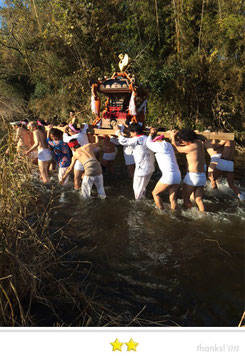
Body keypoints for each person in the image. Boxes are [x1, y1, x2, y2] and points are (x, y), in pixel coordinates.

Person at [115, 123, 155, 200]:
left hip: (142, 168)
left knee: (137, 188)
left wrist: (118, 132)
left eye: (130, 132)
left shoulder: (136, 139)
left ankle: (138, 204)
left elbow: (123, 141)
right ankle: (143, 198)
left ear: (134, 132)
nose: (130, 134)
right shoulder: (147, 138)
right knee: (143, 186)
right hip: (150, 167)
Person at [171, 129, 206, 212]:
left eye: (182, 140)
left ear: (186, 140)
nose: (181, 141)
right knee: (199, 200)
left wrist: (172, 137)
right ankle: (203, 215)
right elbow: (182, 144)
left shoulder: (190, 147)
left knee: (185, 198)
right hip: (202, 176)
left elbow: (175, 148)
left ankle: (188, 212)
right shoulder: (199, 143)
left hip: (193, 176)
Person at [146, 128, 181, 210]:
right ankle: (174, 214)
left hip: (169, 176)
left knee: (155, 193)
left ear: (157, 140)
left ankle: (162, 212)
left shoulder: (159, 145)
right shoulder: (168, 145)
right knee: (173, 199)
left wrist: (151, 134)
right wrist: (173, 137)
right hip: (178, 175)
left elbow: (148, 143)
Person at [55, 122, 89, 190]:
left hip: (79, 160)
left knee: (76, 179)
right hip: (87, 158)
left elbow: (64, 138)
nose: (68, 131)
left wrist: (65, 130)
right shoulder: (83, 133)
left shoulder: (74, 138)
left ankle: (77, 190)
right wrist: (76, 125)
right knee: (84, 175)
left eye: (69, 130)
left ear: (73, 131)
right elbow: (85, 125)